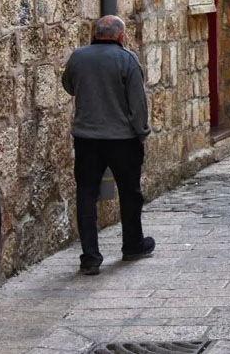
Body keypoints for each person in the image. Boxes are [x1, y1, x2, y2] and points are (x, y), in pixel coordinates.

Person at [62, 15, 155, 275]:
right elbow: (138, 104)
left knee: (86, 195)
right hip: (122, 139)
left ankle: (90, 257)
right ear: (121, 36)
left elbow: (69, 86)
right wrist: (142, 132)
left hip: (87, 138)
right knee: (130, 192)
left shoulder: (78, 57)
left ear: (96, 33)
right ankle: (132, 244)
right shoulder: (127, 60)